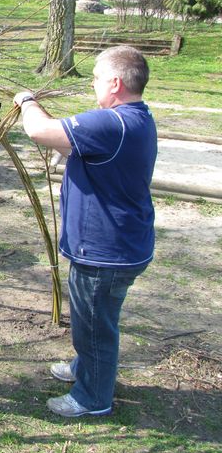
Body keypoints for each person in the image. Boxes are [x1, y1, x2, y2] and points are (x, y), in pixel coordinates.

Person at [13, 45, 157, 418]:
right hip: (116, 245)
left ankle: (93, 398)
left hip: (106, 252)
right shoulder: (134, 119)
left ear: (115, 83)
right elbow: (71, 142)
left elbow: (38, 130)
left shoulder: (112, 124)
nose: (92, 83)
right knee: (92, 319)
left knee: (95, 327)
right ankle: (85, 368)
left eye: (96, 77)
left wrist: (27, 100)